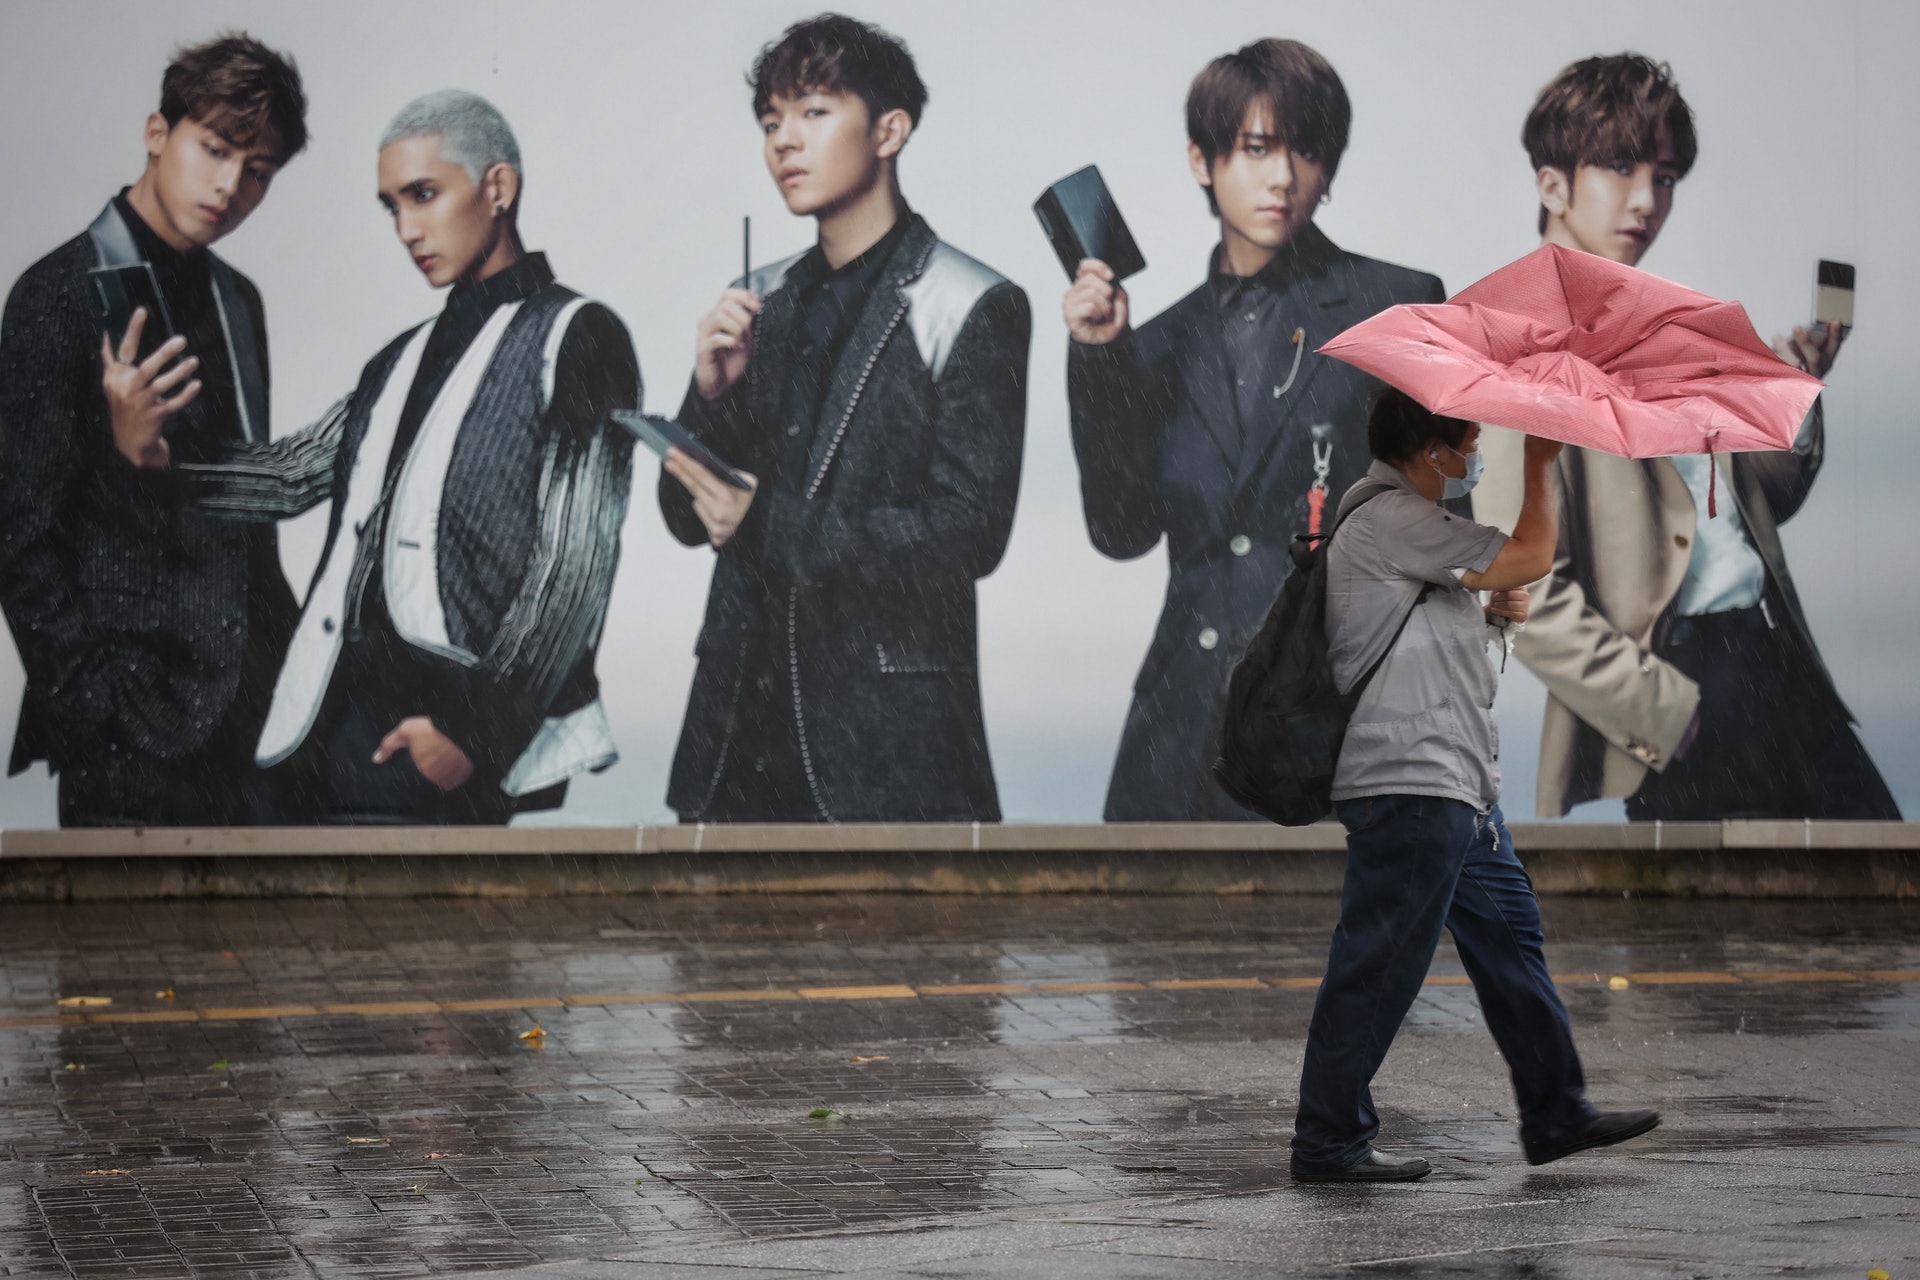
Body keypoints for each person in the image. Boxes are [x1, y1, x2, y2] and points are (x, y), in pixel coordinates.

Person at [109, 90, 638, 824]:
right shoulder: (400, 356)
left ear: (498, 188)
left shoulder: (579, 333)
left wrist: (475, 733)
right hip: (322, 723)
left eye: (423, 195)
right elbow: (292, 476)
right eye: (391, 207)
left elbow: (573, 568)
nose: (406, 229)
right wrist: (153, 455)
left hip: (445, 728)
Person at [1472, 54, 1899, 821]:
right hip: (1680, 680)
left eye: (1664, 177)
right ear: (1552, 185)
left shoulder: (1670, 325)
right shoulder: (1518, 350)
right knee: (1739, 902)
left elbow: (1749, 508)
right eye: (1620, 166)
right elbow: (1517, 580)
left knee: (1884, 874)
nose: (1647, 199)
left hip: (1778, 655)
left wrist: (1794, 396)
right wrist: (1662, 710)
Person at [660, 14, 1030, 823]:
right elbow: (685, 520)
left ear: (890, 131)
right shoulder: (761, 297)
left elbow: (969, 534)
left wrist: (770, 525)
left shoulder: (971, 302)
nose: (784, 142)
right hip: (735, 745)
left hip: (887, 754)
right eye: (771, 122)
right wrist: (709, 398)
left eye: (814, 112)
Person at [1064, 39, 1445, 822]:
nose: (1283, 177)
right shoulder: (1156, 344)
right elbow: (1121, 530)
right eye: (1257, 148)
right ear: (1202, 161)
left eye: (1307, 150)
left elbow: (1438, 533)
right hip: (1178, 734)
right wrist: (1099, 360)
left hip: (1333, 725)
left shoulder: (1395, 307)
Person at [1290, 389, 1659, 1182]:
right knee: (1379, 963)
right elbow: (1532, 551)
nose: (1478, 452)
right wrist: (1541, 463)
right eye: (1473, 440)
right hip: (1412, 783)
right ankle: (1327, 1140)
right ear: (1433, 450)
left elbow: (1438, 657)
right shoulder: (1392, 517)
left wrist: (1494, 621)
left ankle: (1556, 1111)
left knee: (1511, 939)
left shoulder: (1414, 531)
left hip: (1456, 786)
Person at [0, 33, 307, 826]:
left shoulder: (239, 300)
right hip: (131, 731)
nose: (230, 186)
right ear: (157, 133)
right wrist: (96, 711)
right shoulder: (57, 294)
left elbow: (244, 515)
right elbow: (19, 539)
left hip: (254, 716)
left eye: (259, 170)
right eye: (215, 149)